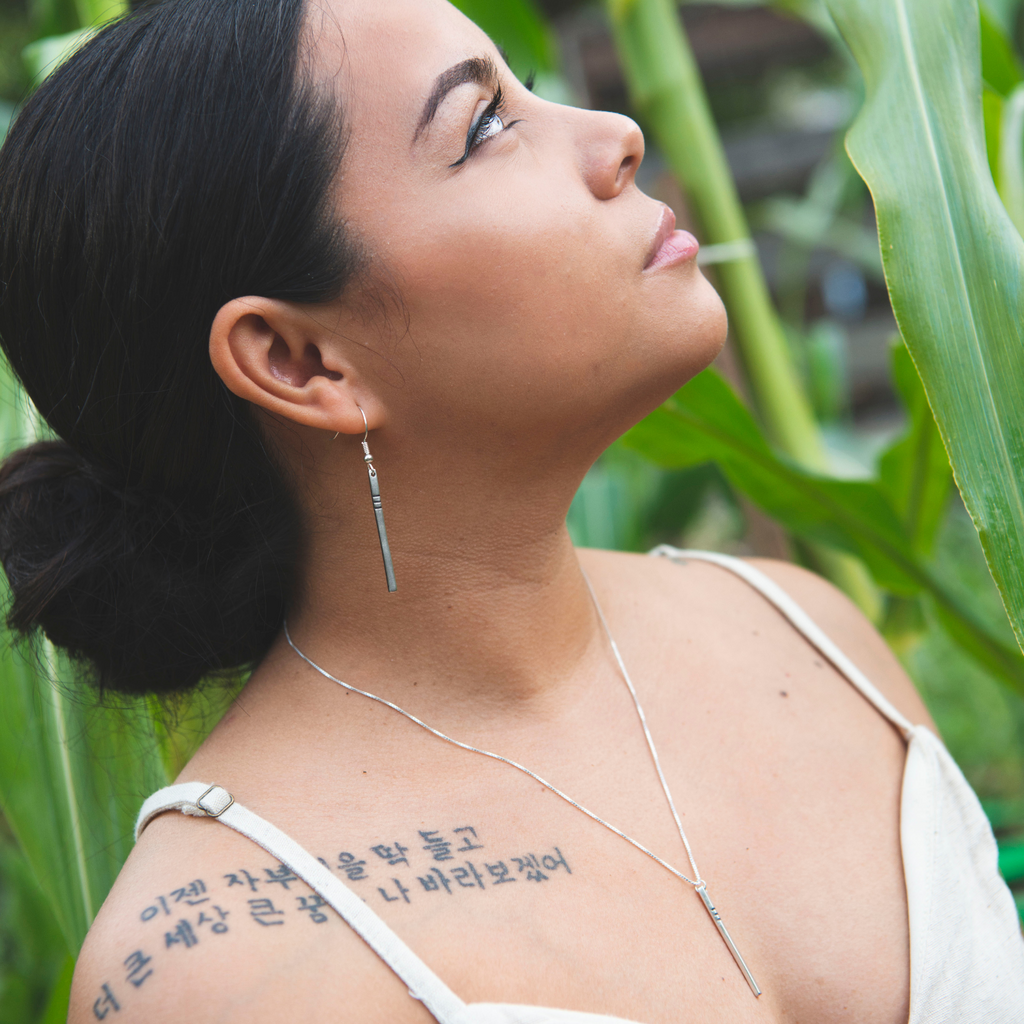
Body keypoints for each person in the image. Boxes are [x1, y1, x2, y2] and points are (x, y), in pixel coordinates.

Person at [0, 0, 1020, 1021]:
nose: (615, 137)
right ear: (301, 361)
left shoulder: (806, 634)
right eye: (484, 125)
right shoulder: (215, 963)